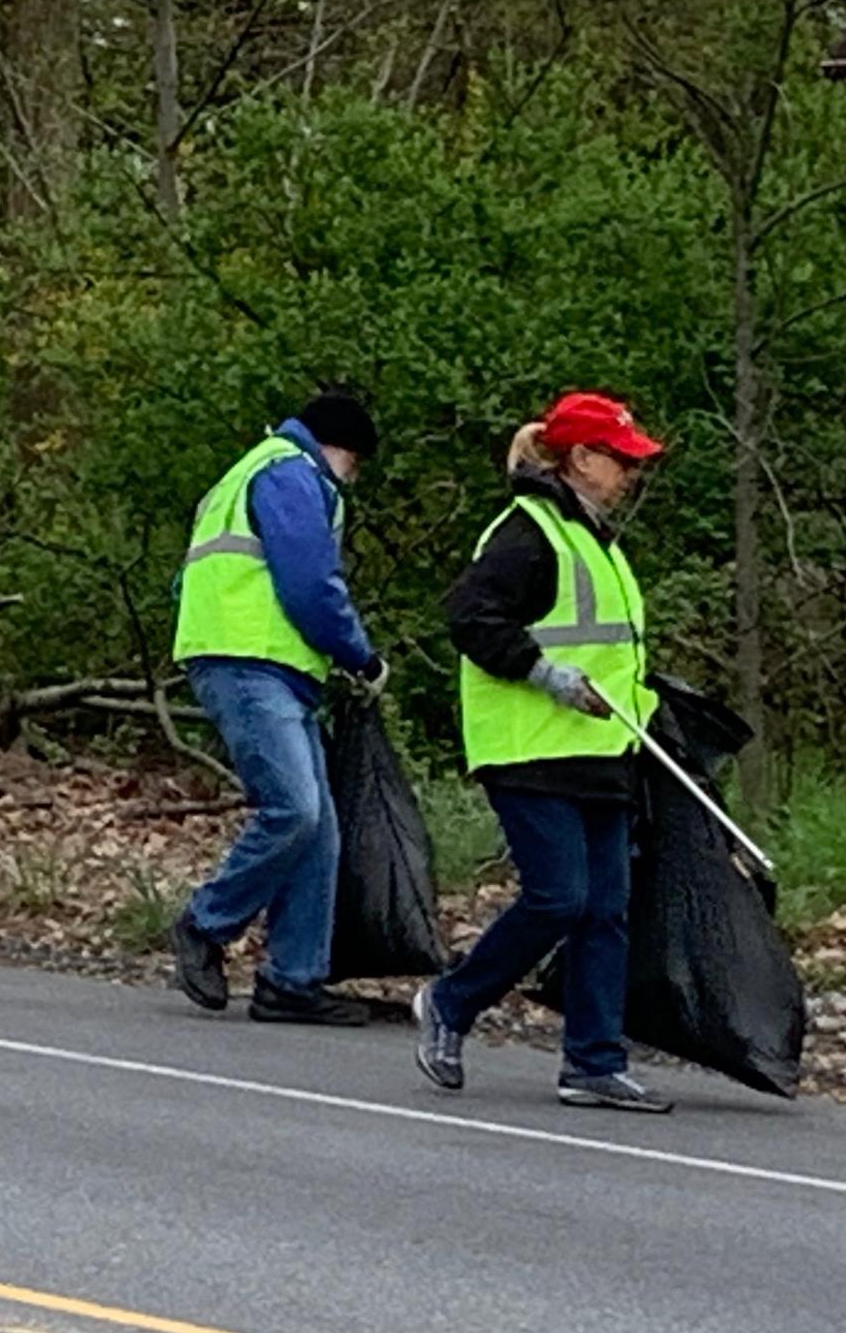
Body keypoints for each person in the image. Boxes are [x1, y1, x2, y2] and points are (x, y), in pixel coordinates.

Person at [412, 391, 673, 1111]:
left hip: (601, 749)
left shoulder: (594, 537)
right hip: (528, 746)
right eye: (620, 460)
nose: (630, 473)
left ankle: (593, 1060)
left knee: (606, 908)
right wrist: (548, 677)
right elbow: (470, 615)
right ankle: (450, 1003)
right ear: (581, 459)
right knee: (559, 896)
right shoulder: (526, 531)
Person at [168, 391, 390, 1025]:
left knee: (318, 828)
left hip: (248, 656)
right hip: (250, 660)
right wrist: (359, 654)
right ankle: (205, 924)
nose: (354, 478)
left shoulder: (248, 470)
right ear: (342, 450)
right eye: (357, 464)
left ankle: (293, 979)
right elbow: (310, 583)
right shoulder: (292, 472)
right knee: (294, 808)